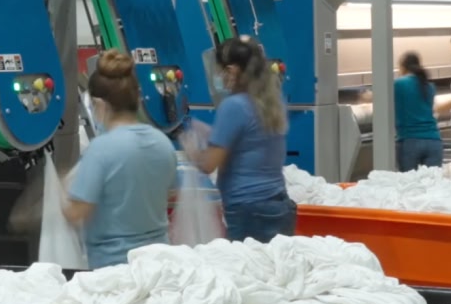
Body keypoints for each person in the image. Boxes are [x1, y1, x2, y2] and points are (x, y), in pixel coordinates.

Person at [62, 50, 178, 268]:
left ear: (99, 104)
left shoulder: (101, 150)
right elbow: (170, 192)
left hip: (114, 266)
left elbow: (76, 213)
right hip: (160, 264)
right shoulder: (162, 143)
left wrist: (57, 195)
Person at [191, 36, 296, 243]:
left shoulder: (233, 106)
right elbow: (249, 140)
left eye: (221, 71)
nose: (219, 77)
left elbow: (208, 165)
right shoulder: (273, 102)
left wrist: (190, 147)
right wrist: (215, 133)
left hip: (249, 210)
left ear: (232, 71)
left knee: (246, 272)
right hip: (279, 206)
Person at [394, 52, 443, 171]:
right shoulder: (429, 86)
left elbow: (378, 97)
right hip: (433, 140)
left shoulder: (398, 84)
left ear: (402, 67)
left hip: (410, 141)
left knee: (409, 185)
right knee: (433, 184)